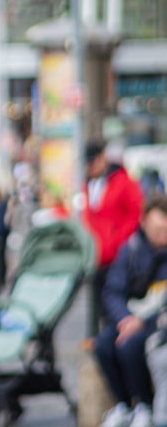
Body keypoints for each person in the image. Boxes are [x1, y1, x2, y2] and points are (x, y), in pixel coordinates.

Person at [94, 195, 167, 427]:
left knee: (130, 346)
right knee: (104, 344)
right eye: (158, 230)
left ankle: (145, 405)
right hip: (132, 317)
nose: (163, 236)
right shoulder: (132, 249)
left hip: (157, 322)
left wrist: (143, 322)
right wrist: (125, 319)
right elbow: (113, 290)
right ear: (145, 223)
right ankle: (125, 405)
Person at [83, 140, 144, 330]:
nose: (90, 167)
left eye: (93, 162)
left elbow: (136, 213)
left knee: (114, 303)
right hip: (97, 257)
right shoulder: (89, 185)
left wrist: (118, 242)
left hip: (117, 256)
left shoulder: (123, 182)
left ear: (103, 159)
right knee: (98, 305)